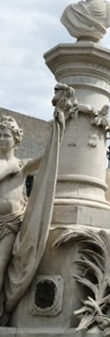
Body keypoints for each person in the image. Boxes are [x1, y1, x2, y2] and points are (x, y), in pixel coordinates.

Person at [0, 116, 41, 322]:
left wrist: (59, 133)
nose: (2, 138)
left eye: (6, 135)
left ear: (16, 139)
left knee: (0, 266)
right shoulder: (8, 166)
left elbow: (44, 161)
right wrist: (7, 170)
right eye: (0, 134)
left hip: (10, 224)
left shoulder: (22, 164)